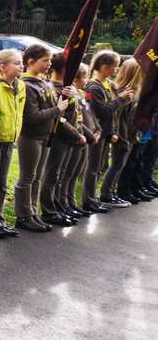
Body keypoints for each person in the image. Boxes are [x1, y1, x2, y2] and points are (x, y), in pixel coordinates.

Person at [14, 44, 70, 233]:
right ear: (31, 62)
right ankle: (23, 216)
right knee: (28, 177)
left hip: (45, 136)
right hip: (30, 137)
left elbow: (53, 106)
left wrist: (63, 98)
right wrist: (57, 109)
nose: (49, 64)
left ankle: (33, 212)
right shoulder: (28, 85)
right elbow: (32, 117)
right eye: (45, 60)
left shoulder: (44, 82)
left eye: (49, 60)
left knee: (37, 177)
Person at [39, 52, 86, 227]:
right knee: (51, 175)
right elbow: (60, 118)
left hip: (68, 138)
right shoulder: (54, 88)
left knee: (59, 175)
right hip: (59, 136)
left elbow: (77, 113)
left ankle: (58, 206)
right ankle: (49, 211)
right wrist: (76, 134)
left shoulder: (68, 87)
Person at [83, 50, 131, 211]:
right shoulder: (93, 86)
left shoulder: (107, 84)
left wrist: (113, 131)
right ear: (104, 66)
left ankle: (93, 198)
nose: (117, 70)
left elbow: (113, 113)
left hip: (105, 132)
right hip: (96, 132)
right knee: (93, 167)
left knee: (99, 167)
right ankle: (88, 200)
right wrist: (120, 98)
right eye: (115, 67)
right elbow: (102, 111)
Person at [0, 49, 25, 237]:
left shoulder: (19, 87)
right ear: (2, 67)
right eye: (17, 63)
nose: (21, 66)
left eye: (21, 62)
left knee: (2, 184)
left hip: (10, 140)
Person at [59, 64, 99, 218]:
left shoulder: (81, 94)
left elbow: (86, 117)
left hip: (83, 138)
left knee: (75, 174)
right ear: (76, 78)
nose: (87, 79)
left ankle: (71, 202)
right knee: (67, 175)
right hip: (74, 138)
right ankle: (64, 203)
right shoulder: (70, 93)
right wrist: (82, 135)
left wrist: (95, 132)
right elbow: (69, 120)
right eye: (85, 76)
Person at [101, 58, 142, 206]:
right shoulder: (122, 91)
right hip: (121, 132)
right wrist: (117, 133)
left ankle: (110, 192)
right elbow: (116, 115)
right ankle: (106, 194)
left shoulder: (132, 89)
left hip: (129, 132)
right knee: (117, 164)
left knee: (120, 165)